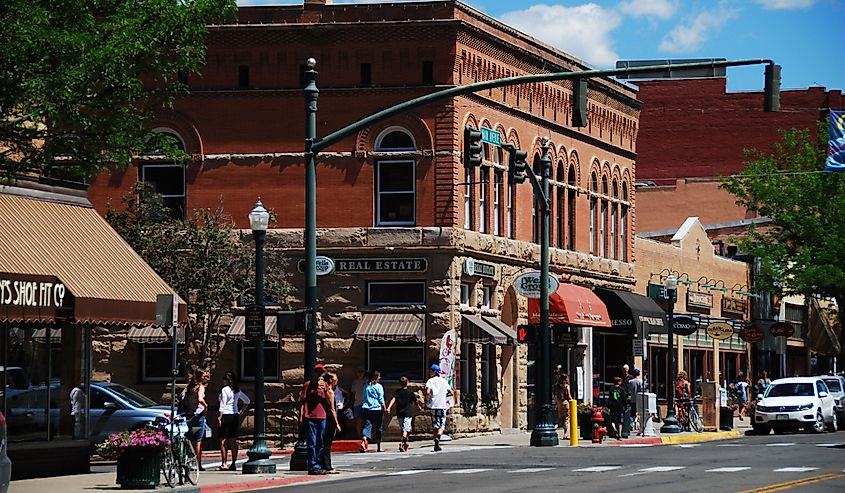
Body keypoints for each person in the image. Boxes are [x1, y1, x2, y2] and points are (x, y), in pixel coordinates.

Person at [300, 363, 331, 475]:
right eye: (317, 372)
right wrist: (302, 415)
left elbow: (329, 401)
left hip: (322, 416)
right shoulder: (308, 385)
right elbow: (302, 401)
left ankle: (318, 464)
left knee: (320, 442)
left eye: (321, 372)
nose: (319, 374)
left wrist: (325, 391)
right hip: (311, 416)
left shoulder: (325, 385)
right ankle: (312, 465)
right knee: (312, 442)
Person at [217, 371, 251, 471]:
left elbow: (222, 404)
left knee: (223, 440)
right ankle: (233, 463)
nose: (222, 381)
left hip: (226, 415)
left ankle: (224, 463)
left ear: (227, 380)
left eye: (224, 379)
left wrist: (219, 417)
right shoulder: (237, 390)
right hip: (234, 416)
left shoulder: (224, 390)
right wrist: (241, 411)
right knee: (233, 440)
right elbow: (247, 400)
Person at [180, 367, 210, 471]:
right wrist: (205, 405)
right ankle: (198, 464)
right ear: (200, 376)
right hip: (198, 416)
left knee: (189, 438)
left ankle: (188, 461)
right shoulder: (200, 387)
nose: (206, 377)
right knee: (198, 440)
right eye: (204, 375)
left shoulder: (189, 387)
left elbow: (182, 397)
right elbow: (200, 399)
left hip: (189, 415)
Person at [425, 364, 453, 452]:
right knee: (442, 424)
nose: (429, 372)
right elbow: (451, 392)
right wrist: (444, 395)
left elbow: (428, 391)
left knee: (435, 423)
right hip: (442, 405)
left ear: (434, 372)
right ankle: (438, 438)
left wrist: (427, 399)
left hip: (433, 405)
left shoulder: (430, 381)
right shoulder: (444, 381)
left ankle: (435, 440)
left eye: (431, 371)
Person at [387, 376, 417, 452]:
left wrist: (389, 407)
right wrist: (419, 407)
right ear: (407, 383)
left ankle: (405, 443)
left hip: (400, 413)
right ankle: (403, 442)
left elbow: (393, 400)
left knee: (403, 428)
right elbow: (415, 401)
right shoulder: (410, 392)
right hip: (408, 413)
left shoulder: (397, 392)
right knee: (406, 429)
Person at [360, 370, 385, 453]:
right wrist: (384, 408)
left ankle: (364, 440)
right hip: (377, 408)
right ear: (376, 377)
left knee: (367, 425)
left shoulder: (366, 386)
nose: (380, 378)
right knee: (378, 427)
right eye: (379, 376)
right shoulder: (378, 386)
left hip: (367, 407)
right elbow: (380, 398)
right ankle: (379, 446)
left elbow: (363, 396)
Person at [321, 372, 341, 474]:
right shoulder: (330, 392)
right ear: (331, 380)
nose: (337, 380)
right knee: (327, 444)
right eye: (335, 379)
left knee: (325, 443)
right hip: (330, 420)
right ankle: (327, 466)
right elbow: (332, 409)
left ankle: (325, 464)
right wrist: (337, 423)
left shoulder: (328, 390)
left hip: (327, 419)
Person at [553, 373, 572, 439]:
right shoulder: (566, 386)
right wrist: (572, 401)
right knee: (567, 418)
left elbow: (555, 395)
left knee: (560, 417)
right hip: (565, 402)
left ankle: (555, 427)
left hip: (559, 402)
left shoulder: (557, 386)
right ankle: (566, 434)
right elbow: (569, 396)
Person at [350, 369, 367, 439]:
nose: (360, 374)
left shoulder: (366, 381)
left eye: (361, 372)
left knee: (366, 421)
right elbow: (352, 393)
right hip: (357, 403)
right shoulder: (355, 382)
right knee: (358, 421)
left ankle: (365, 436)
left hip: (366, 403)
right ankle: (359, 436)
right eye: (358, 372)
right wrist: (351, 403)